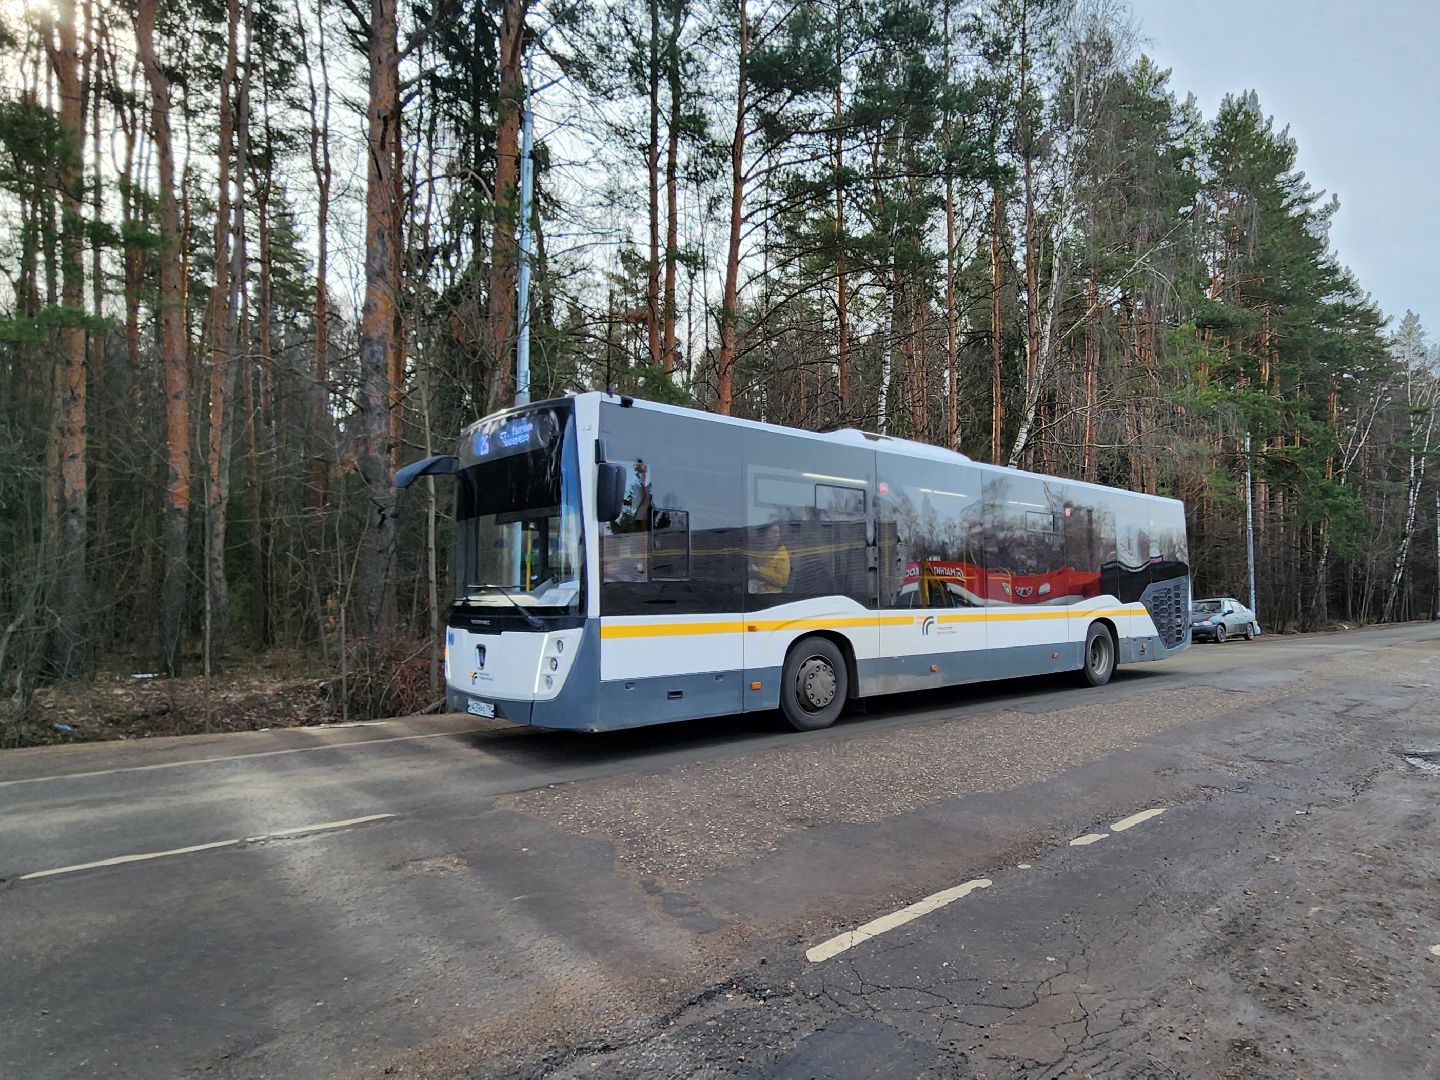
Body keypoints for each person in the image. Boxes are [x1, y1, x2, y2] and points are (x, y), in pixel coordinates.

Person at [749, 521, 791, 594]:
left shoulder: (781, 553)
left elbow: (782, 580)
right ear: (765, 534)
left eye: (778, 532)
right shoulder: (758, 549)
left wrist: (760, 571)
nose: (777, 535)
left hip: (772, 594)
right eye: (773, 532)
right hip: (754, 590)